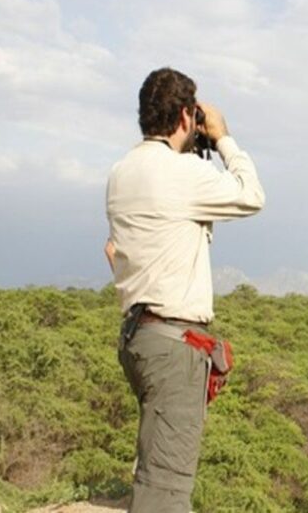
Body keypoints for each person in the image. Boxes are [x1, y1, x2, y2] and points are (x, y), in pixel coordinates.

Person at [104, 67, 265, 512]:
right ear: (184, 117)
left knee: (153, 467)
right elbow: (251, 195)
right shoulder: (179, 174)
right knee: (167, 491)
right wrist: (224, 138)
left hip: (138, 338)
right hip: (173, 348)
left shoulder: (121, 172)